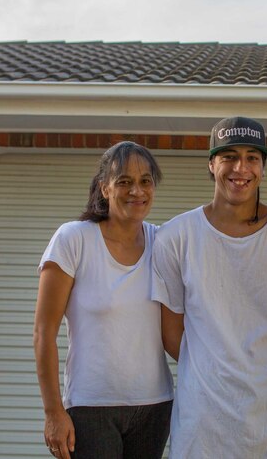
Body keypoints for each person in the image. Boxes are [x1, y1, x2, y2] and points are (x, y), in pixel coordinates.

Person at [152, 116, 267, 458]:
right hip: (203, 416)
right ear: (212, 164)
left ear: (263, 167)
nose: (240, 168)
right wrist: (215, 371)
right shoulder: (175, 237)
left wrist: (266, 372)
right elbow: (171, 332)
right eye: (228, 156)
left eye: (252, 157)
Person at [34, 142, 174, 459]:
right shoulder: (73, 240)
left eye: (145, 181)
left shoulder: (163, 242)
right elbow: (44, 332)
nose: (136, 190)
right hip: (90, 408)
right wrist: (53, 412)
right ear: (105, 188)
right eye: (123, 181)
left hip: (154, 405)